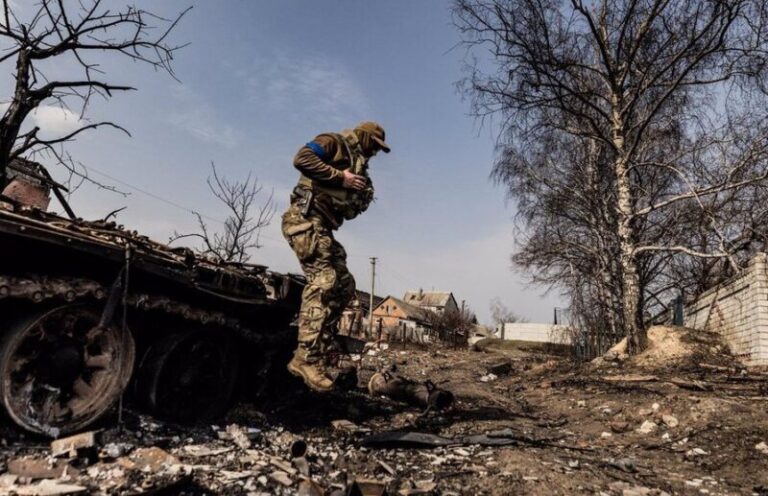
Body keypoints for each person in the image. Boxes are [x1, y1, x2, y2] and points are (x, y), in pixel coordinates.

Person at [282, 121, 390, 391]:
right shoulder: (333, 142)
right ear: (364, 137)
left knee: (344, 285)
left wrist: (358, 193)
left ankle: (321, 345)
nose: (375, 153)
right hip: (304, 219)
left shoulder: (359, 165)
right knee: (325, 279)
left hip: (323, 227)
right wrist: (342, 178)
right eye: (374, 146)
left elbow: (348, 205)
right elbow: (301, 158)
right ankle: (305, 358)